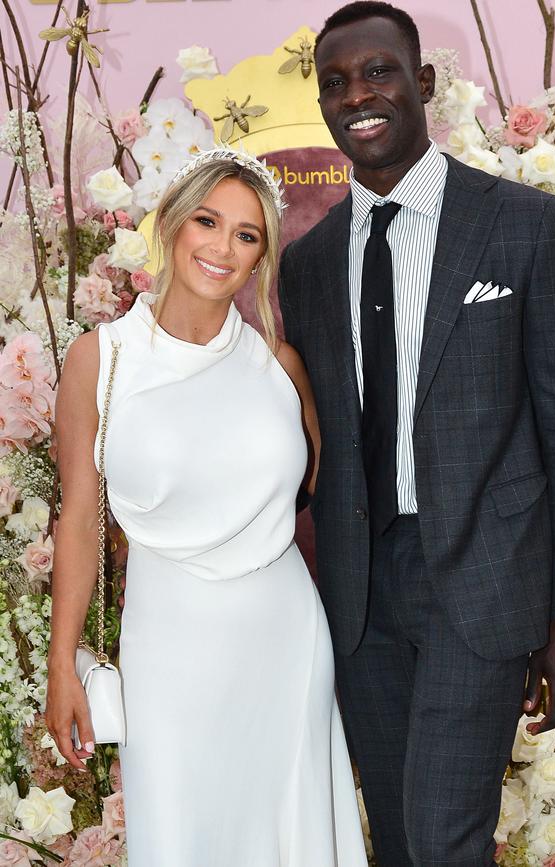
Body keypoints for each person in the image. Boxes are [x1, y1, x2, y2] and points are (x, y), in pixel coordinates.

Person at [278, 3, 555, 865]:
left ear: (422, 83)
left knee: (443, 834)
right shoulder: (306, 265)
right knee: (394, 835)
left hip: (483, 586)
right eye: (336, 83)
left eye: (379, 71)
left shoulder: (528, 225)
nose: (359, 96)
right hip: (357, 597)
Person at [45, 148, 368, 867]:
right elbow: (78, 517)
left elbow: (317, 480)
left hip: (284, 639)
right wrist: (63, 660)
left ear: (262, 256)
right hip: (171, 643)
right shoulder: (101, 358)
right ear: (170, 225)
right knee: (185, 831)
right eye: (208, 221)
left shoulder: (277, 364)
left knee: (291, 827)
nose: (223, 247)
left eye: (247, 235)